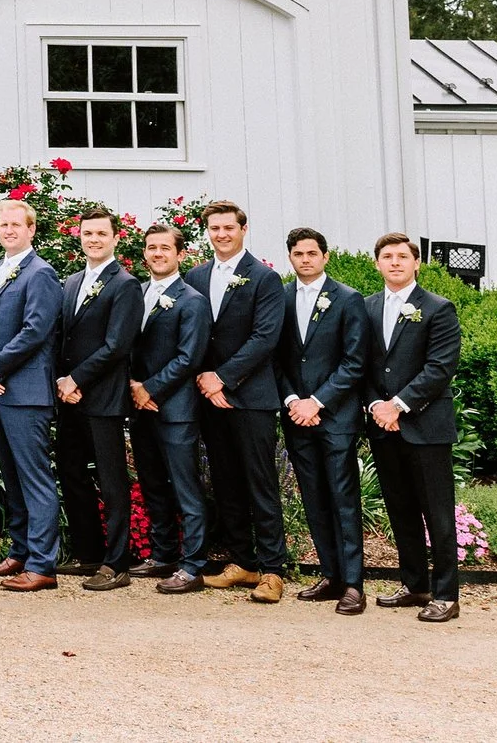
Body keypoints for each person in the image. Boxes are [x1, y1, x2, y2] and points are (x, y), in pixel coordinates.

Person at [179, 199, 286, 601]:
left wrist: (221, 378)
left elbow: (265, 338)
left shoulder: (263, 278)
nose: (221, 234)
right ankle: (242, 562)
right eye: (215, 228)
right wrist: (206, 383)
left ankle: (272, 569)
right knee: (225, 482)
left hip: (251, 397)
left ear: (243, 230)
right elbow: (194, 334)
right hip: (210, 398)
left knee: (261, 483)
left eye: (229, 228)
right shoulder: (196, 275)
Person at [364, 232, 463, 622]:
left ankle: (447, 595)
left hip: (426, 427)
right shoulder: (368, 307)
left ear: (416, 262)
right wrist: (375, 404)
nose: (395, 262)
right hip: (383, 426)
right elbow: (363, 364)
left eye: (402, 256)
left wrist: (398, 405)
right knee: (400, 508)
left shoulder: (438, 308)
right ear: (377, 263)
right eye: (387, 256)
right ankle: (415, 584)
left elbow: (440, 367)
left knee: (436, 513)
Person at [276, 226, 370, 613]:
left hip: (335, 418)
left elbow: (355, 362)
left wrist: (317, 401)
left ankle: (353, 584)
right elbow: (278, 358)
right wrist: (293, 400)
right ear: (291, 258)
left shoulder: (348, 299)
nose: (306, 259)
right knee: (314, 498)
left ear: (325, 256)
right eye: (298, 254)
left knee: (343, 498)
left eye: (312, 253)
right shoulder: (280, 298)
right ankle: (331, 575)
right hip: (297, 416)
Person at [54, 208, 142, 589]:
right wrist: (62, 382)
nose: (93, 239)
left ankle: (117, 562)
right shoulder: (71, 281)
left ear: (115, 238)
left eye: (101, 234)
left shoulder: (125, 284)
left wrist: (76, 379)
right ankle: (88, 554)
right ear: (80, 236)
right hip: (69, 397)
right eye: (88, 233)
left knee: (111, 480)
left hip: (102, 396)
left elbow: (117, 346)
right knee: (72, 474)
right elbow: (63, 337)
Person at [0, 197, 62, 591]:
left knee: (34, 478)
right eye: (3, 225)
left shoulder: (40, 273)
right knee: (11, 476)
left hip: (25, 391)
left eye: (17, 225)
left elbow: (35, 331)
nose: (9, 230)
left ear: (31, 230)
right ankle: (20, 552)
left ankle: (43, 565)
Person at [128, 223, 212, 592]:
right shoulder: (138, 293)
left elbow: (188, 357)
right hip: (139, 406)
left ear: (180, 255)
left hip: (175, 409)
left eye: (165, 247)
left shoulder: (191, 300)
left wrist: (150, 389)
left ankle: (193, 566)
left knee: (185, 488)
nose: (157, 253)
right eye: (151, 247)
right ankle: (163, 556)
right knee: (152, 485)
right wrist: (132, 388)